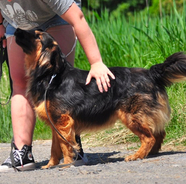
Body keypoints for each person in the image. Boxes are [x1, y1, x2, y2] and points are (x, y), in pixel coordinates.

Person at [0, 0, 115, 172]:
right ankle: (22, 152)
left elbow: (78, 18)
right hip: (17, 21)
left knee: (61, 81)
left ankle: (72, 148)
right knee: (20, 82)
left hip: (56, 18)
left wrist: (96, 62)